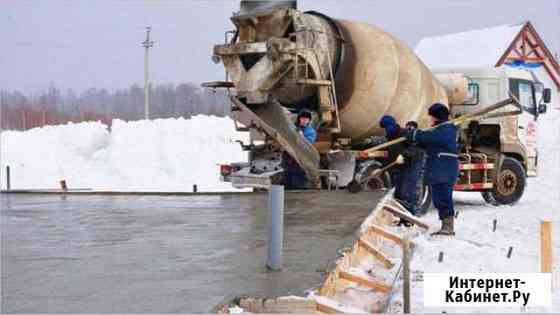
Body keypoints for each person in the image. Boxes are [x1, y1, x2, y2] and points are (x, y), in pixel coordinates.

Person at [406, 103, 459, 236]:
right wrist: (411, 135)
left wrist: (414, 134)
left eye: (431, 116)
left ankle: (448, 227)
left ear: (436, 117)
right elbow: (426, 140)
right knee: (439, 197)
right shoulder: (440, 129)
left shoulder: (446, 129)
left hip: (444, 169)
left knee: (443, 197)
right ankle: (446, 225)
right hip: (440, 169)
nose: (429, 119)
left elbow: (429, 138)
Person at [378, 115, 424, 218]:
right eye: (384, 128)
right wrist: (381, 169)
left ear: (392, 125)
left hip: (412, 164)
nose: (386, 130)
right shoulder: (390, 138)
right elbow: (390, 157)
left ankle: (410, 218)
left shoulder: (405, 133)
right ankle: (400, 217)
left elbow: (418, 147)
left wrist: (404, 155)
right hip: (400, 167)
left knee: (407, 192)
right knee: (398, 193)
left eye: (386, 127)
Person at [282, 109, 317, 190]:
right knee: (286, 185)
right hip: (288, 162)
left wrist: (301, 136)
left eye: (306, 119)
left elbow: (307, 145)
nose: (304, 121)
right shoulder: (293, 128)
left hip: (301, 162)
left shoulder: (311, 132)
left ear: (309, 120)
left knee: (298, 185)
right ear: (299, 119)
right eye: (302, 118)